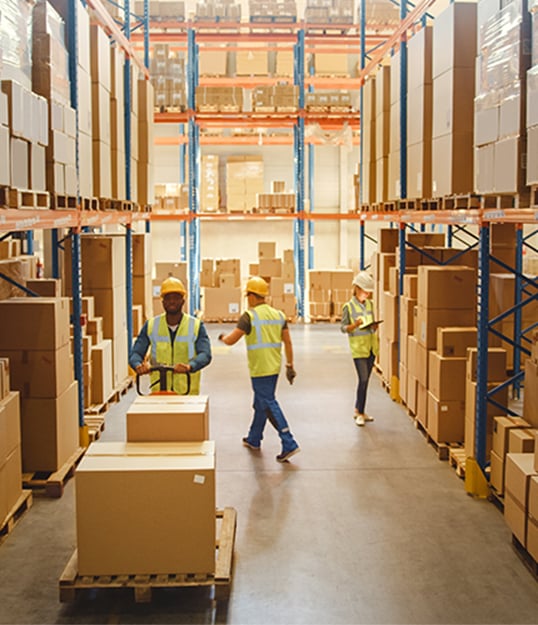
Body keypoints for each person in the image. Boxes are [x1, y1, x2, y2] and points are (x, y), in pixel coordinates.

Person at [218, 276, 300, 463]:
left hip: (259, 369)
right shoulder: (279, 315)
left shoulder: (249, 316)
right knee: (260, 404)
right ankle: (254, 438)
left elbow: (232, 340)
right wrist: (290, 365)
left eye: (248, 296)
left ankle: (289, 442)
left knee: (269, 403)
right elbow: (287, 341)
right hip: (274, 367)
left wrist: (222, 337)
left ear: (253, 297)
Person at [129, 277, 212, 395]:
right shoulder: (151, 325)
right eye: (168, 298)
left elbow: (205, 354)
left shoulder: (196, 326)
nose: (172, 301)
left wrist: (190, 366)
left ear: (183, 300)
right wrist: (138, 365)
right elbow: (136, 353)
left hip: (187, 394)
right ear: (163, 302)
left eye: (176, 298)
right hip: (160, 393)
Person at [341, 271, 379, 427]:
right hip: (358, 349)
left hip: (371, 347)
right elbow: (343, 328)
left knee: (366, 381)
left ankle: (359, 410)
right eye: (365, 291)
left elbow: (370, 323)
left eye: (369, 292)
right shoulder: (348, 307)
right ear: (356, 288)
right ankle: (359, 412)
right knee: (363, 379)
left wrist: (374, 326)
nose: (367, 294)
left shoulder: (370, 304)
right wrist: (354, 325)